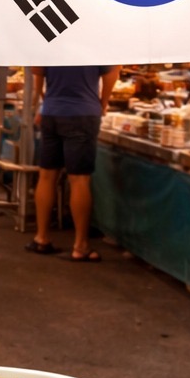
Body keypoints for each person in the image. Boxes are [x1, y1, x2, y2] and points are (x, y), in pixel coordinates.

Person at [26, 63, 119, 261]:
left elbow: (37, 72)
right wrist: (103, 102)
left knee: (46, 175)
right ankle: (81, 246)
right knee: (79, 179)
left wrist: (43, 102)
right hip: (83, 113)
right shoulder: (94, 40)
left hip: (51, 112)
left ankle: (41, 238)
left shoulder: (47, 37)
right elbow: (113, 72)